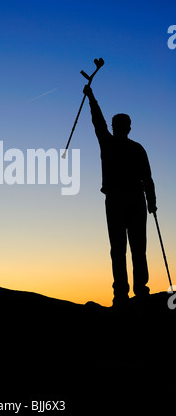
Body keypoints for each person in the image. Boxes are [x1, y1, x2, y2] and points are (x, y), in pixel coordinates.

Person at [83, 84, 157, 307]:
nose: (116, 127)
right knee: (131, 248)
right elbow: (148, 179)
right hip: (130, 200)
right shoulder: (135, 148)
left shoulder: (111, 143)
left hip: (122, 200)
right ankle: (134, 291)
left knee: (125, 249)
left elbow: (98, 122)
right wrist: (151, 202)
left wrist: (91, 97)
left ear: (123, 127)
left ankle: (126, 293)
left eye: (118, 125)